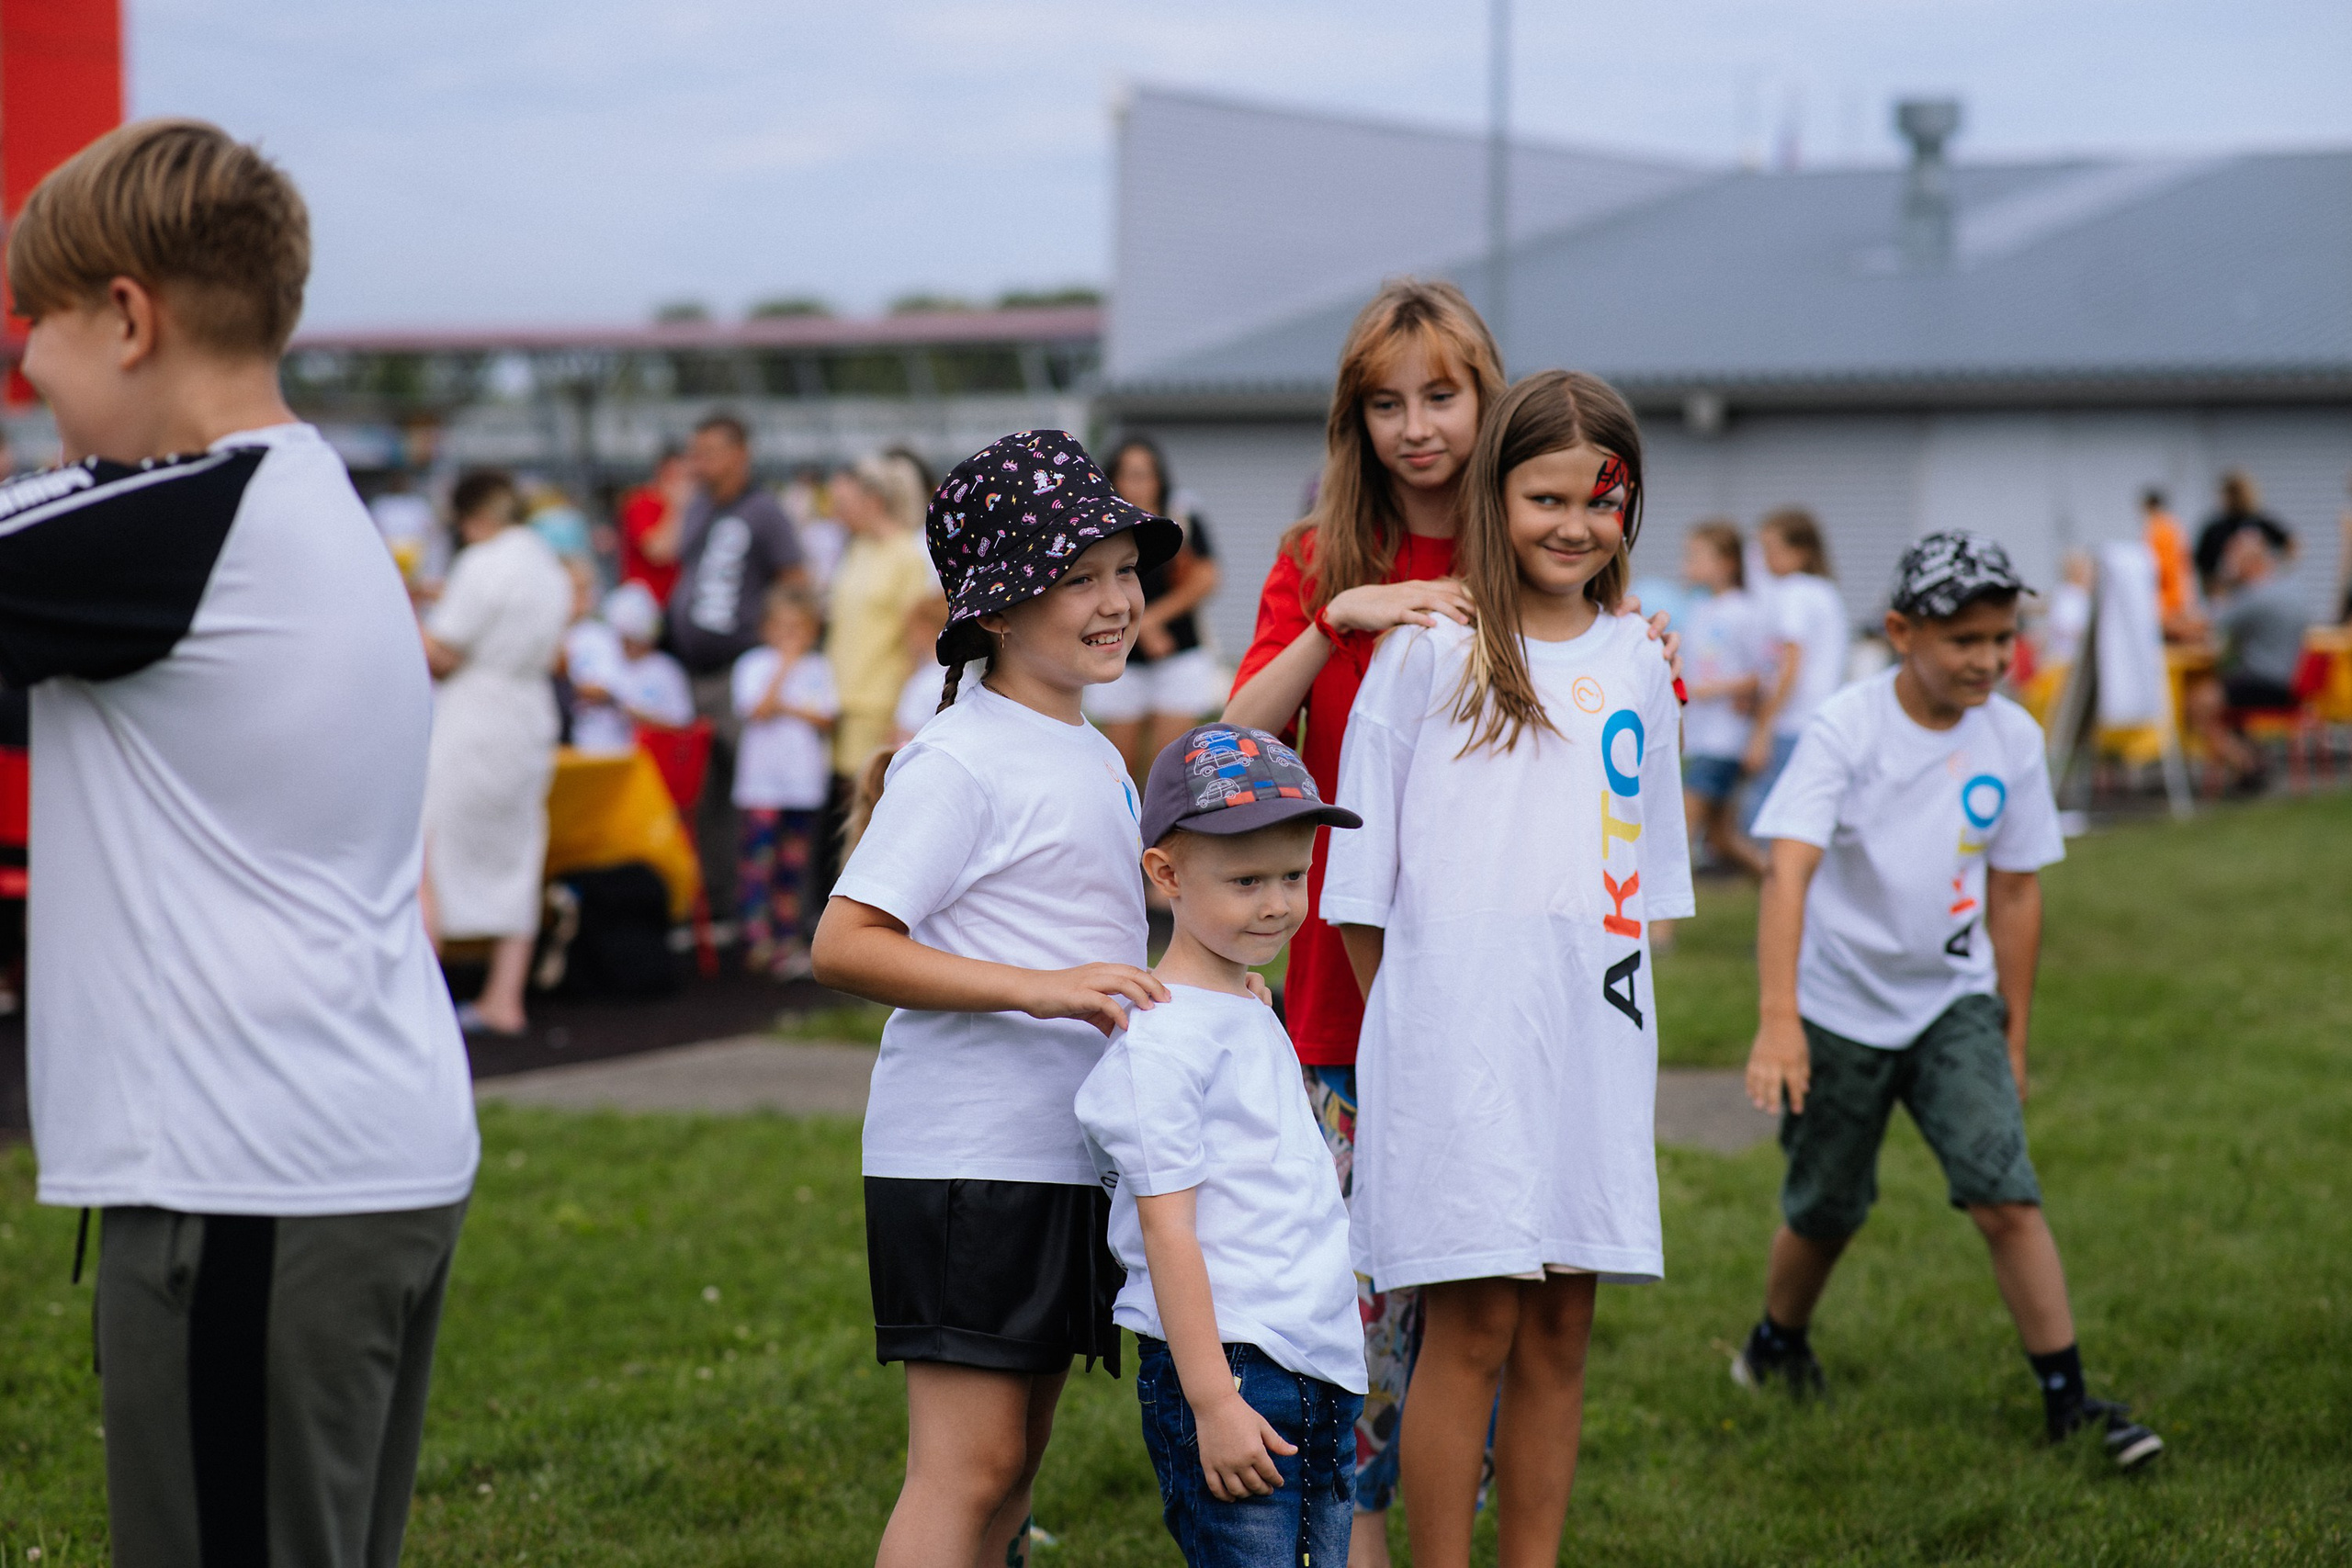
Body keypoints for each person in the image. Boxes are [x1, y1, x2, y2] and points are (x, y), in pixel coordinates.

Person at [3, 118, 477, 1566]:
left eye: (37, 333)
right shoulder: (277, 507)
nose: (27, 377)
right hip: (337, 1157)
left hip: (251, 1180)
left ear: (128, 315)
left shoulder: (188, 525)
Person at [1325, 369, 1693, 1568]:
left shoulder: (1641, 659)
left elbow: (1651, 886)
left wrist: (1614, 1019)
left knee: (1561, 1330)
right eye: (1546, 496)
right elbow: (1356, 897)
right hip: (1454, 1055)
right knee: (1472, 1323)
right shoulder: (1430, 656)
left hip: (1589, 1049)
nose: (1573, 523)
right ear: (1498, 495)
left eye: (1602, 499)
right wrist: (1427, 1032)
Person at [809, 430, 1185, 1568]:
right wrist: (1044, 991)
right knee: (963, 1475)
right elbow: (845, 942)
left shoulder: (1089, 750)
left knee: (1011, 1480)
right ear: (997, 612)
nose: (1117, 599)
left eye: (1124, 569)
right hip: (968, 1164)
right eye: (1079, 579)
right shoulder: (961, 759)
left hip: (1061, 1155)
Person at [1735, 531, 2163, 1472]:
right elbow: (1788, 873)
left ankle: (2068, 1399)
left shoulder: (2011, 737)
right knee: (1826, 1208)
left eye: (2001, 639)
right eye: (1964, 640)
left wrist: (2010, 1028)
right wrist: (1779, 1020)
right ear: (1900, 632)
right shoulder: (1845, 730)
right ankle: (1774, 1344)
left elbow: (2014, 888)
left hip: (1952, 1004)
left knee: (2003, 1190)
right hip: (1838, 1007)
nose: (1987, 660)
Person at [1075, 725, 1368, 1567]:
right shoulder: (1163, 1045)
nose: (1276, 903)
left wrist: (1245, 987)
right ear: (1166, 875)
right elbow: (1169, 1231)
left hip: (1316, 1357)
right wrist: (1212, 1400)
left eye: (1293, 875)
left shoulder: (1242, 1003)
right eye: (1245, 881)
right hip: (1235, 1366)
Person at [421, 468, 575, 1036]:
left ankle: (421, 1005)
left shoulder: (482, 562)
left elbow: (443, 653)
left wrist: (400, 614)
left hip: (476, 715)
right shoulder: (546, 564)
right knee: (519, 854)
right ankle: (503, 997)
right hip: (529, 713)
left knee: (430, 849)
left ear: (473, 518)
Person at [1084, 435, 1224, 783]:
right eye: (1130, 475)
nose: (1139, 484)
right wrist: (1141, 627)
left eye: (1147, 474)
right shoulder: (1100, 529)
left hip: (1177, 653)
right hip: (1119, 657)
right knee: (1118, 769)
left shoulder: (1181, 516)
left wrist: (1150, 621)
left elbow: (1207, 578)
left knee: (1174, 770)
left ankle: (1165, 835)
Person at [732, 584, 839, 979]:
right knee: (758, 864)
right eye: (783, 628)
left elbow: (827, 717)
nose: (791, 637)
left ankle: (787, 939)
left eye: (799, 628)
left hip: (801, 785)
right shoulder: (754, 664)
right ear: (768, 629)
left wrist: (788, 705)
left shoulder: (819, 668)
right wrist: (784, 669)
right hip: (761, 785)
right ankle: (757, 940)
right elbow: (757, 709)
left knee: (792, 866)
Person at [825, 452, 943, 778]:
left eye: (847, 502)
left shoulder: (908, 554)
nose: (840, 512)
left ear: (873, 500)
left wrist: (901, 709)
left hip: (881, 702)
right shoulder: (856, 548)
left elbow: (916, 637)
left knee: (871, 799)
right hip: (841, 699)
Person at [1744, 507, 1849, 827]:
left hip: (1792, 721)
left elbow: (1789, 666)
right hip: (1820, 716)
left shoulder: (1794, 592)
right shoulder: (1825, 591)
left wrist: (1762, 728)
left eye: (1772, 549)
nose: (1764, 559)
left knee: (1769, 818)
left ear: (1801, 552)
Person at [1679, 520, 1770, 878]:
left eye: (1697, 556)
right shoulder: (1700, 609)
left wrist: (1712, 690)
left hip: (1725, 739)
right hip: (1699, 735)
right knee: (1721, 837)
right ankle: (1782, 884)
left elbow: (1761, 675)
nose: (1687, 564)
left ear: (1728, 562)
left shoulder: (1744, 611)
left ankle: (1662, 932)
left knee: (1683, 824)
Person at [2188, 529, 2310, 790]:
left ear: (2249, 562)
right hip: (2294, 682)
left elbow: (2210, 624)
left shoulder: (2255, 596)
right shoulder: (2292, 590)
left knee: (2198, 703)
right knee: (2224, 691)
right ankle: (2251, 758)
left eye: (2233, 559)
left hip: (2266, 682)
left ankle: (2247, 764)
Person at [566, 581, 693, 756]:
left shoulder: (666, 670)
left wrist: (632, 712)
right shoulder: (599, 653)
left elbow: (683, 725)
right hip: (586, 753)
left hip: (641, 763)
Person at [2193, 469, 2292, 597]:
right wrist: (2214, 590)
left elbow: (2291, 545)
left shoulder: (2259, 522)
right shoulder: (2215, 528)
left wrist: (2274, 570)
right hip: (2229, 594)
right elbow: (2203, 566)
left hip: (2258, 592)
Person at [618, 444, 691, 606]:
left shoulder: (693, 508)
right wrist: (677, 508)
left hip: (677, 602)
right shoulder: (642, 502)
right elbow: (658, 552)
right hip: (647, 606)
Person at [2141, 487, 2205, 643]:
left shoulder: (2157, 528)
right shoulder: (2174, 526)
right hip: (2180, 592)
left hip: (2166, 596)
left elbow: (2158, 566)